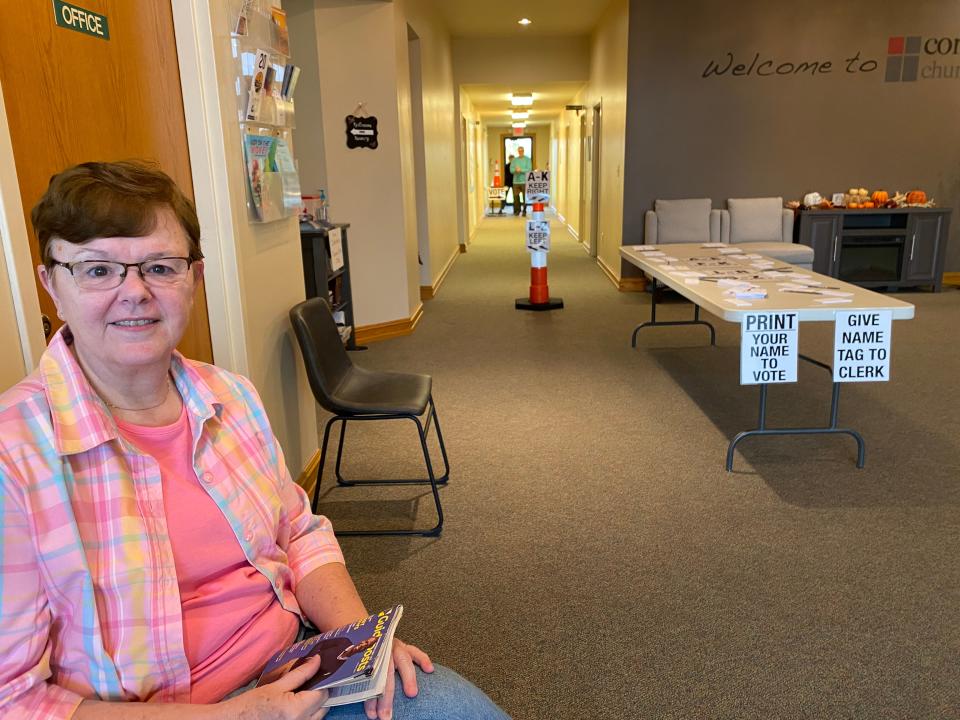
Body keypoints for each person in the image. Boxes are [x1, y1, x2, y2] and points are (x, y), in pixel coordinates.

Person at [0, 160, 510, 720]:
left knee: (460, 711)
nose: (135, 293)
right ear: (51, 284)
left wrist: (361, 646)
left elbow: (299, 530)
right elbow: (16, 701)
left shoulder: (230, 397)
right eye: (97, 270)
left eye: (160, 267)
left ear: (193, 277)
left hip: (294, 667)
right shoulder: (14, 454)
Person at [509, 146, 532, 216]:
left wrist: (520, 170)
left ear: (523, 151)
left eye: (521, 151)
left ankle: (524, 211)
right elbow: (511, 170)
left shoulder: (527, 159)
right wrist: (515, 170)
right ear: (518, 152)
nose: (520, 152)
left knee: (525, 198)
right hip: (515, 182)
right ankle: (517, 210)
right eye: (519, 151)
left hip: (524, 182)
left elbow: (529, 169)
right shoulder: (514, 160)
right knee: (516, 197)